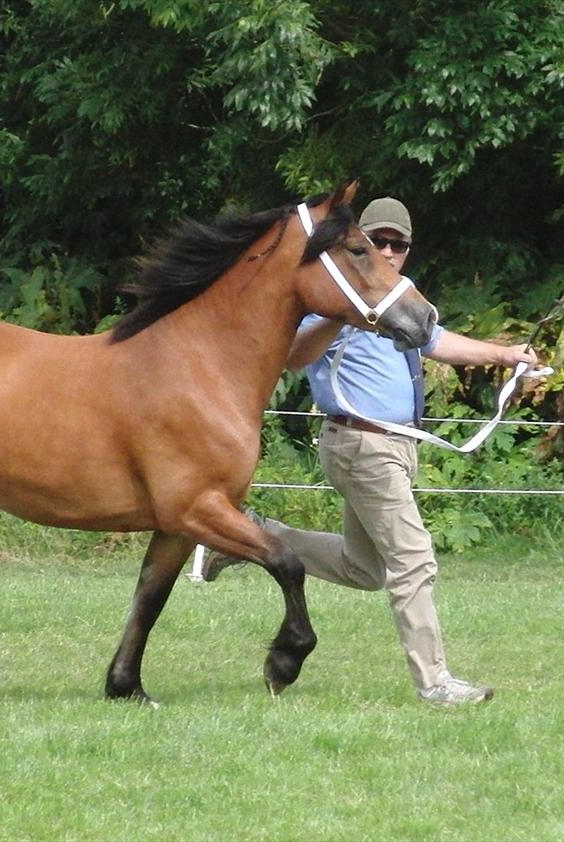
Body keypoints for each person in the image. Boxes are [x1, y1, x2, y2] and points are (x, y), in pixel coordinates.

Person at [204, 196, 540, 706]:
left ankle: (249, 537)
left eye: (397, 244)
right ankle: (435, 684)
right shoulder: (333, 300)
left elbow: (439, 341)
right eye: (377, 241)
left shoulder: (396, 302)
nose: (387, 251)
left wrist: (504, 355)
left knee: (367, 569)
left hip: (398, 447)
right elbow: (294, 357)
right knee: (414, 561)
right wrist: (343, 318)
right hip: (362, 444)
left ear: (407, 250)